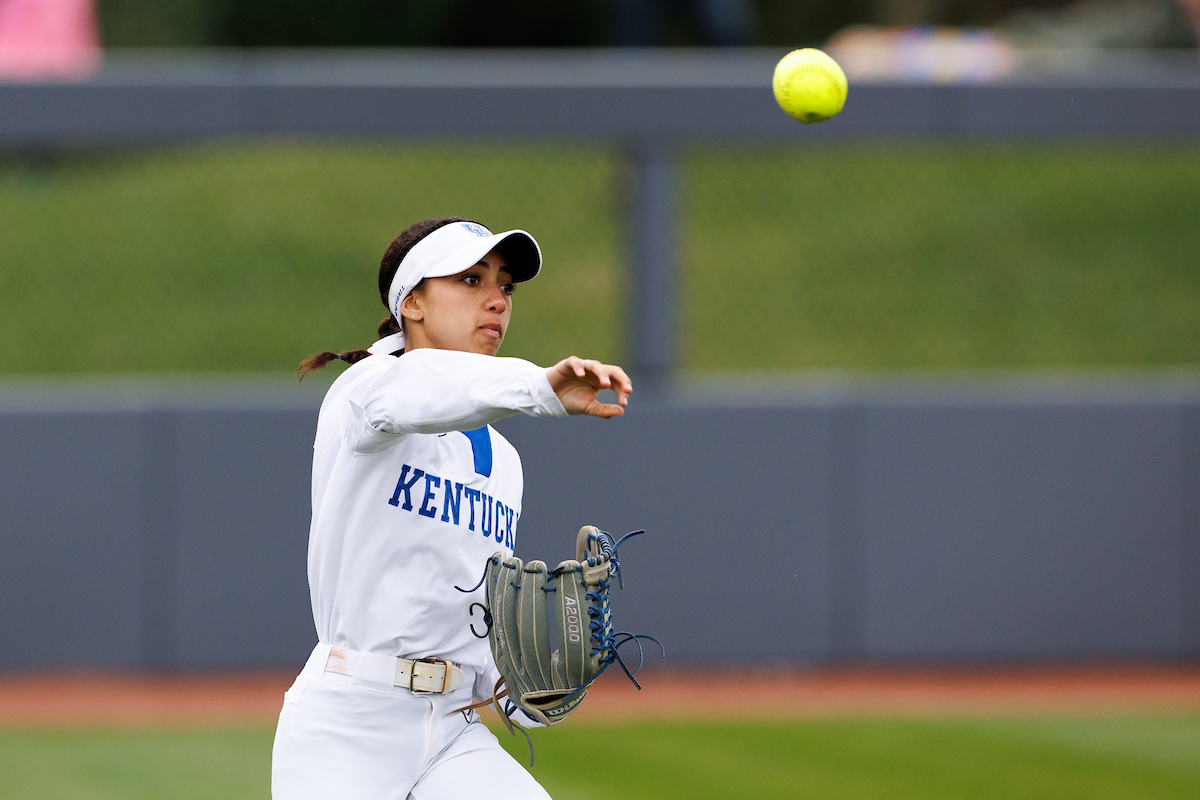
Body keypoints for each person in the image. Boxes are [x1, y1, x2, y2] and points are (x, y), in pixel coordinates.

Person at [272, 216, 632, 800]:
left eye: (506, 286)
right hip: (347, 728)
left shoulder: (503, 460)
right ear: (412, 302)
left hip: (451, 728)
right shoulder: (368, 393)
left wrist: (525, 695)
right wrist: (538, 388)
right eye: (470, 280)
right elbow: (427, 388)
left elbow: (481, 617)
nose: (496, 300)